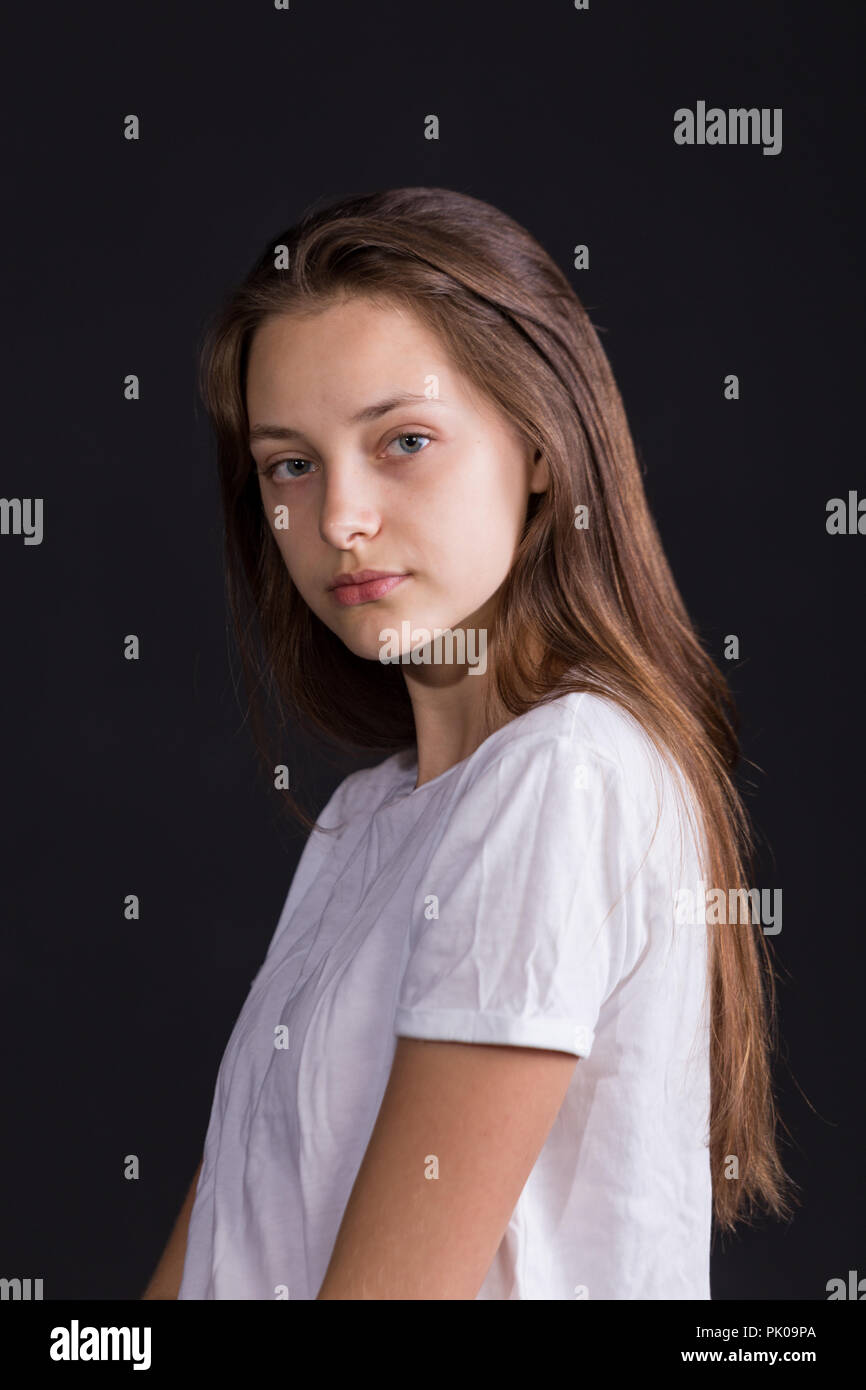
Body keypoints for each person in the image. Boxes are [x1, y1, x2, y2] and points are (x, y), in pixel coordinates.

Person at [143, 187, 796, 1302]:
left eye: (403, 441)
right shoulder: (362, 823)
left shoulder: (563, 775)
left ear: (540, 444)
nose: (340, 515)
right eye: (288, 464)